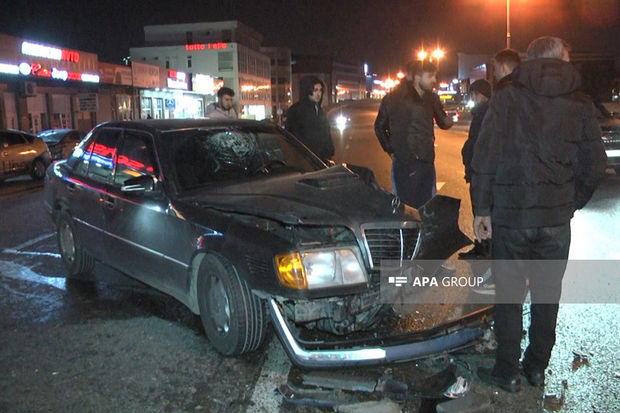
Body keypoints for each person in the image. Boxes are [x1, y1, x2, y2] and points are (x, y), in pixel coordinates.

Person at [471, 36, 606, 393]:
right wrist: (570, 202)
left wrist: (481, 209)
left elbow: (484, 159)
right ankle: (536, 368)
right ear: (561, 61)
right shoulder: (580, 104)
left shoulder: (505, 99)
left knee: (509, 297)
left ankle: (506, 371)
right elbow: (595, 165)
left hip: (512, 221)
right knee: (547, 296)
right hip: (555, 222)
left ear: (530, 60)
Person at [374, 60, 453, 208]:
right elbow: (379, 126)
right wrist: (391, 150)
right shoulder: (393, 98)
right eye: (430, 76)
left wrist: (449, 120)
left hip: (426, 162)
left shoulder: (432, 98)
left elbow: (443, 122)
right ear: (417, 77)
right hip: (404, 165)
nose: (434, 80)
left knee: (427, 209)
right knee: (406, 211)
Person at [459, 79, 493, 261]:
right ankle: (481, 246)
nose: (471, 98)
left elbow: (479, 145)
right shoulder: (481, 113)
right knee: (480, 211)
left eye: (473, 94)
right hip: (477, 170)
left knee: (482, 211)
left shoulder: (484, 114)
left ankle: (485, 250)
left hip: (480, 171)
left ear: (479, 95)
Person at [285, 76, 334, 161]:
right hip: (305, 160)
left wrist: (329, 151)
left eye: (320, 90)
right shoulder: (296, 111)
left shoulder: (319, 110)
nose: (319, 94)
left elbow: (326, 134)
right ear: (307, 91)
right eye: (315, 90)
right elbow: (292, 136)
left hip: (321, 159)